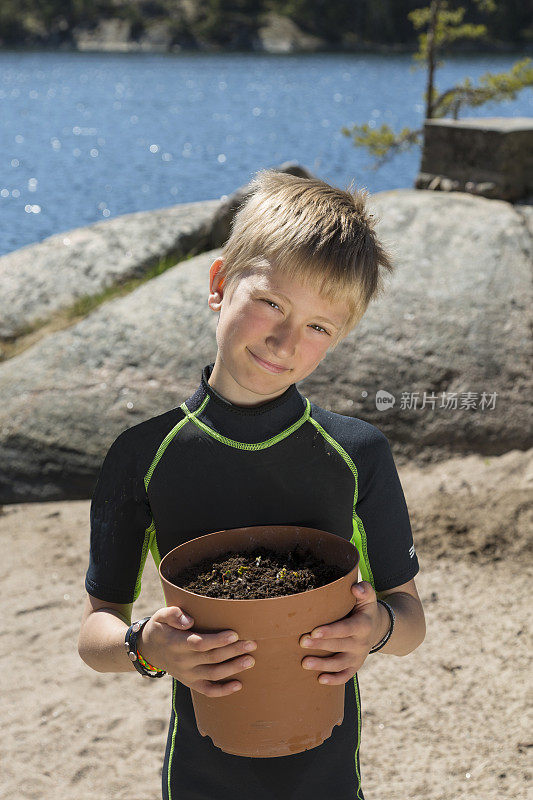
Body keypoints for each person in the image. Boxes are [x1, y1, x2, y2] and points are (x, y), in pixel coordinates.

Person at [78, 168, 425, 800]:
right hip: (202, 767)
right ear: (219, 284)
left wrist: (373, 632)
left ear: (340, 337)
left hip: (325, 768)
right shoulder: (142, 455)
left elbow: (409, 618)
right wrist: (146, 645)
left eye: (321, 327)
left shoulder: (357, 454)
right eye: (271, 303)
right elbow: (95, 634)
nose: (286, 341)